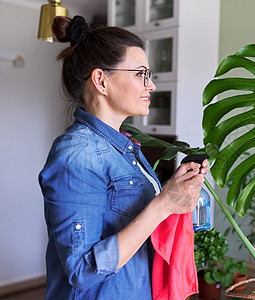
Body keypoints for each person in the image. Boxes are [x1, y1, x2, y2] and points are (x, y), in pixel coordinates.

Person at [38, 15, 208, 299]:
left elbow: (141, 231)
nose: (150, 85)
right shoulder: (77, 155)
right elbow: (81, 270)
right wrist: (162, 205)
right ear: (101, 80)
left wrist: (174, 192)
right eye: (140, 73)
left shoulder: (127, 148)